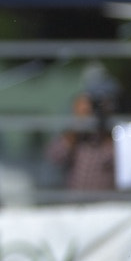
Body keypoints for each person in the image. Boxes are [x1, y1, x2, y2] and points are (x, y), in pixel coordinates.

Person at [45, 65, 120, 193]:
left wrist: (106, 122)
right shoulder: (76, 136)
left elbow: (118, 160)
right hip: (76, 208)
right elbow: (55, 157)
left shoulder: (115, 135)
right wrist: (79, 121)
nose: (96, 107)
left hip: (108, 208)